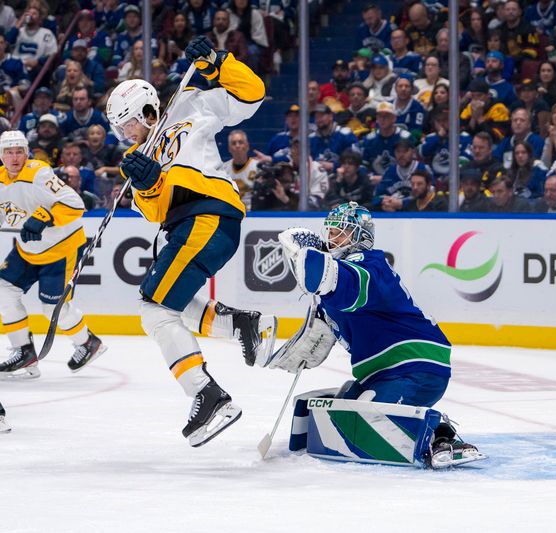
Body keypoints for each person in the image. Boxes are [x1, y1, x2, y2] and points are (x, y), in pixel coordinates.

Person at [105, 36, 277, 447]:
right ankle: (242, 323)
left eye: (128, 124)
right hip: (187, 223)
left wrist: (218, 62)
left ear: (147, 110)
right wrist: (147, 184)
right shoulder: (143, 154)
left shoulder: (191, 103)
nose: (126, 134)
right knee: (166, 305)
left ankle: (207, 394)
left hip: (209, 212)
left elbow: (252, 94)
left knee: (155, 308)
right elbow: (154, 211)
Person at [275, 202, 483, 468]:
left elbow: (341, 281)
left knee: (368, 419)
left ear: (361, 237)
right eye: (330, 232)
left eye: (341, 233)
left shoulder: (369, 264)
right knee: (344, 410)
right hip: (382, 373)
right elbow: (321, 326)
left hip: (417, 366)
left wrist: (311, 259)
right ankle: (424, 425)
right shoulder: (331, 289)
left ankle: (441, 437)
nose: (331, 239)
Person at [0, 130, 105, 379]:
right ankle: (24, 353)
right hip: (28, 250)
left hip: (61, 247)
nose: (14, 157)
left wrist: (43, 217)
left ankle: (88, 343)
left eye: (19, 151)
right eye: (8, 152)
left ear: (27, 153)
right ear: (1, 156)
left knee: (51, 309)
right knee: (3, 290)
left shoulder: (39, 173)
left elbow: (75, 203)